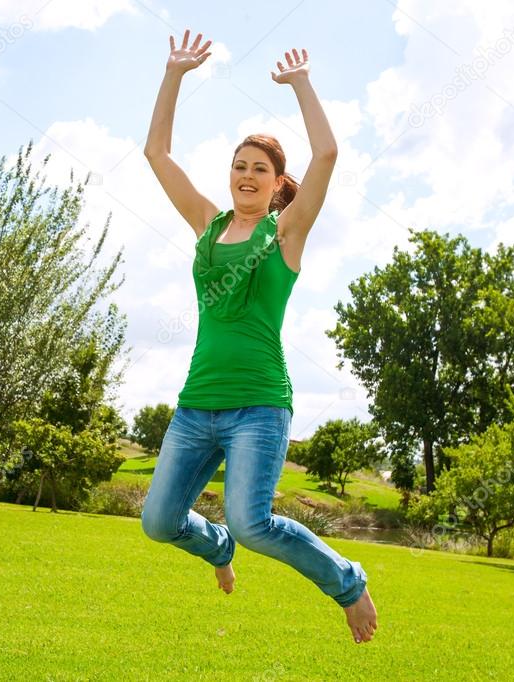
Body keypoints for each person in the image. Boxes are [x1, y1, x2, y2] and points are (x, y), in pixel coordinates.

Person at [138, 28, 378, 645]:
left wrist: (300, 84)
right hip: (196, 405)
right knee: (159, 521)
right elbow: (156, 155)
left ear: (276, 183)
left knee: (254, 522)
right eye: (239, 166)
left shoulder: (286, 234)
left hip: (259, 406)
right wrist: (174, 75)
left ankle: (347, 582)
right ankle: (213, 545)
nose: (247, 175)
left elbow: (326, 156)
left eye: (260, 169)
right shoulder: (207, 224)